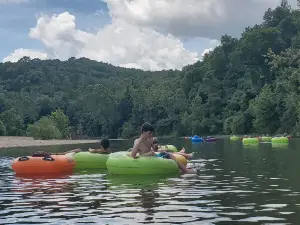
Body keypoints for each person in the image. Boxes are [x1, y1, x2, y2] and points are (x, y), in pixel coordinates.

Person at [131, 123, 195, 174]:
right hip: (145, 159)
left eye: (151, 133)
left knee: (169, 154)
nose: (151, 134)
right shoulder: (137, 141)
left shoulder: (149, 139)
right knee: (168, 154)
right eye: (149, 133)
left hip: (153, 157)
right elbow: (133, 155)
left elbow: (155, 149)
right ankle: (185, 170)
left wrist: (154, 143)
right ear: (144, 132)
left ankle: (184, 169)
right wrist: (147, 154)